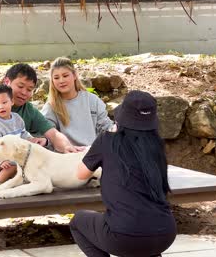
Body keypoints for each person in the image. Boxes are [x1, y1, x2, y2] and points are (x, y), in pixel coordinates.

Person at [70, 90, 177, 257]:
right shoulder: (156, 145)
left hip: (123, 236)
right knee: (146, 243)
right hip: (165, 234)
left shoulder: (107, 140)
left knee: (78, 221)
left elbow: (81, 174)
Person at [0, 63, 84, 192]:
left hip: (11, 165)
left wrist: (67, 147)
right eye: (20, 86)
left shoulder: (27, 110)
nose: (24, 93)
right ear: (7, 82)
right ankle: (10, 181)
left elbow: (53, 134)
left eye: (29, 89)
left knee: (33, 153)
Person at [0, 84, 47, 194]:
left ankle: (30, 182)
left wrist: (32, 140)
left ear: (12, 102)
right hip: (1, 155)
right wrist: (0, 161)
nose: (1, 106)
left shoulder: (17, 119)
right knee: (11, 167)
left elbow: (23, 134)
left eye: (4, 102)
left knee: (31, 161)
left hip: (15, 153)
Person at [41, 57, 114, 146]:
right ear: (52, 80)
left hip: (92, 154)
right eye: (56, 78)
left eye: (65, 76)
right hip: (66, 156)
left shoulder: (92, 100)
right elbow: (48, 136)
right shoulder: (51, 106)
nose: (61, 81)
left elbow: (105, 126)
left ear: (75, 75)